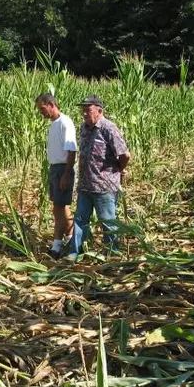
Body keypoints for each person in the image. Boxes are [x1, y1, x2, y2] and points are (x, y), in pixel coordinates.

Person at [67, 95, 131, 261]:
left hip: (104, 186)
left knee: (107, 221)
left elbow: (125, 155)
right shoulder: (84, 128)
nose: (84, 113)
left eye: (88, 110)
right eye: (83, 110)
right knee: (80, 219)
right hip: (85, 185)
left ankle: (112, 254)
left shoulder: (108, 128)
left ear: (99, 111)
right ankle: (75, 252)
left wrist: (117, 170)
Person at [35, 93, 77, 258]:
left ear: (51, 104)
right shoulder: (53, 124)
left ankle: (57, 247)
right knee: (59, 208)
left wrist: (66, 174)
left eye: (42, 108)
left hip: (62, 169)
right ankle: (71, 238)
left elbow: (71, 150)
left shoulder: (65, 123)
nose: (41, 113)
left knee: (59, 208)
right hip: (54, 168)